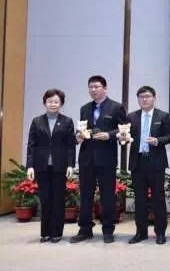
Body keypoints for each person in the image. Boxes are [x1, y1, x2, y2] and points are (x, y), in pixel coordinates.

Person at [71, 76, 126, 244]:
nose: (93, 90)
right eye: (91, 87)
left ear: (105, 88)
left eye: (96, 86)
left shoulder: (116, 107)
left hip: (106, 158)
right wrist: (78, 136)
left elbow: (124, 130)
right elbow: (82, 129)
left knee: (107, 196)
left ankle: (108, 229)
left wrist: (109, 135)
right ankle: (85, 229)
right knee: (85, 195)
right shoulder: (84, 108)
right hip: (86, 158)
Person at [123, 86, 170, 245]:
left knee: (158, 199)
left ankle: (160, 233)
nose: (144, 99)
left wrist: (158, 141)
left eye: (147, 96)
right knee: (140, 199)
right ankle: (141, 232)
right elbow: (125, 136)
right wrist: (123, 138)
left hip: (156, 162)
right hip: (138, 163)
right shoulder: (131, 117)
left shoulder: (163, 116)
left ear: (154, 98)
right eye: (141, 97)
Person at [26, 89, 76, 243]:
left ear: (61, 104)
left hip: (60, 167)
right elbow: (31, 145)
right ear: (44, 103)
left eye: (56, 102)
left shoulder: (67, 121)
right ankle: (45, 232)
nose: (53, 104)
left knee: (58, 200)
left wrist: (70, 165)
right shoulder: (37, 121)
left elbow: (70, 145)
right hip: (42, 167)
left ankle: (56, 233)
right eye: (49, 101)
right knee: (45, 200)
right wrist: (30, 166)